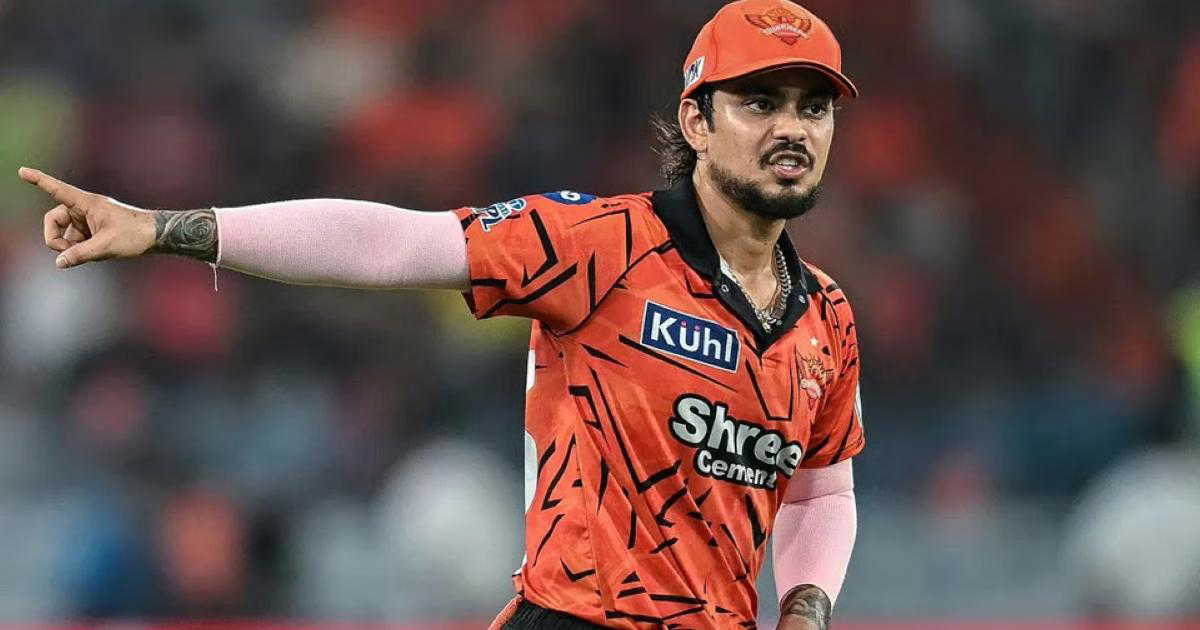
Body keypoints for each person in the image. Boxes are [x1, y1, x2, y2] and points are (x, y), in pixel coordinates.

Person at [20, 1, 864, 628]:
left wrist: (806, 605)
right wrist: (165, 229)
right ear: (697, 121)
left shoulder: (825, 318)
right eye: (760, 102)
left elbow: (822, 489)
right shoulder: (602, 245)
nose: (791, 127)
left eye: (812, 106)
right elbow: (389, 243)